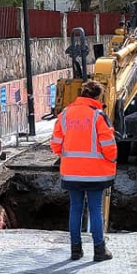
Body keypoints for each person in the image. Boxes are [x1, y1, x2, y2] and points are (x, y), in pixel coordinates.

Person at [50, 80, 117, 262]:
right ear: (97, 97)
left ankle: (75, 250)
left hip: (71, 172)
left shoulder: (65, 114)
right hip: (96, 173)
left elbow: (55, 143)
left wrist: (66, 156)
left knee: (75, 209)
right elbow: (109, 145)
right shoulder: (98, 116)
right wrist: (112, 159)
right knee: (95, 210)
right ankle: (99, 250)